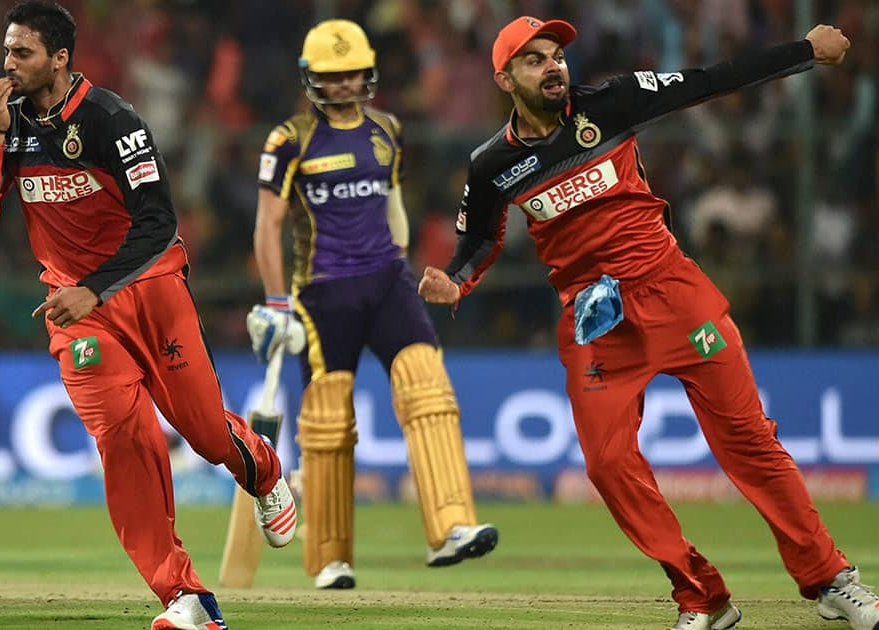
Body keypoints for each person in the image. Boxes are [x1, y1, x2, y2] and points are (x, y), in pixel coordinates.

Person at [419, 15, 879, 630]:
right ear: (504, 78)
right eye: (534, 60)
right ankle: (703, 598)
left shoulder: (612, 102)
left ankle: (830, 579)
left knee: (750, 443)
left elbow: (710, 81)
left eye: (556, 55)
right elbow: (478, 241)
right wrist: (455, 280)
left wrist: (805, 51)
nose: (553, 65)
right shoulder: (492, 164)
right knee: (608, 467)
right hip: (595, 320)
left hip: (673, 294)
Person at [0, 3, 297, 629]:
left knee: (204, 433)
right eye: (6, 51)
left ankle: (263, 465)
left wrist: (98, 286)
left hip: (149, 289)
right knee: (125, 440)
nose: (7, 64)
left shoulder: (113, 119)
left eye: (21, 52)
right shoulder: (11, 126)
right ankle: (185, 598)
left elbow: (159, 223)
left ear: (59, 57)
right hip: (74, 312)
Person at [247, 18, 497, 590]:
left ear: (369, 74)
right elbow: (268, 225)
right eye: (331, 76)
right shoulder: (289, 140)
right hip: (323, 291)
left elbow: (393, 203)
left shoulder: (387, 129)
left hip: (387, 279)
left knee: (427, 386)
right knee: (328, 422)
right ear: (312, 79)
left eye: (352, 73)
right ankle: (330, 557)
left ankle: (452, 527)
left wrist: (403, 262)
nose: (342, 85)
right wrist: (277, 302)